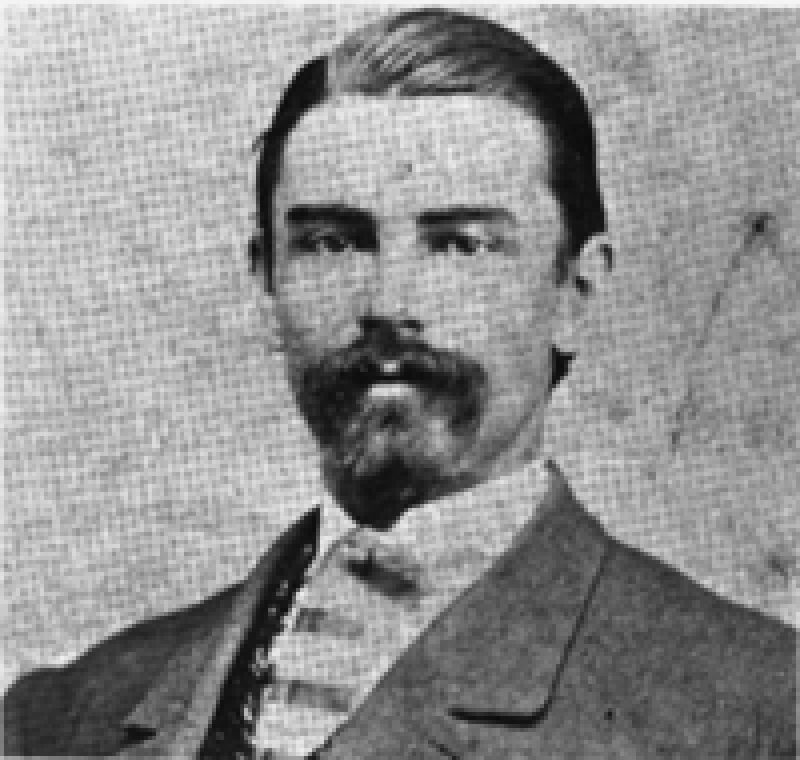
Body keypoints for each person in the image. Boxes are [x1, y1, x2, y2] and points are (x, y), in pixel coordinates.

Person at [3, 9, 795, 759]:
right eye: (331, 243)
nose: (388, 304)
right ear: (267, 283)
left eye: (460, 245)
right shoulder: (61, 717)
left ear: (575, 293)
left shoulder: (758, 708)